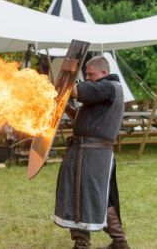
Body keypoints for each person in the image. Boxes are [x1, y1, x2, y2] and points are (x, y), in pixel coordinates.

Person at [54, 56, 129, 249]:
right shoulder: (102, 92)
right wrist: (65, 107)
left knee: (88, 197)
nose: (87, 77)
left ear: (104, 72)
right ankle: (108, 242)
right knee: (89, 196)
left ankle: (97, 243)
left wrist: (58, 84)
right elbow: (82, 119)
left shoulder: (108, 86)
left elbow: (75, 90)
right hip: (86, 152)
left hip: (93, 154)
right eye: (86, 73)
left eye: (91, 74)